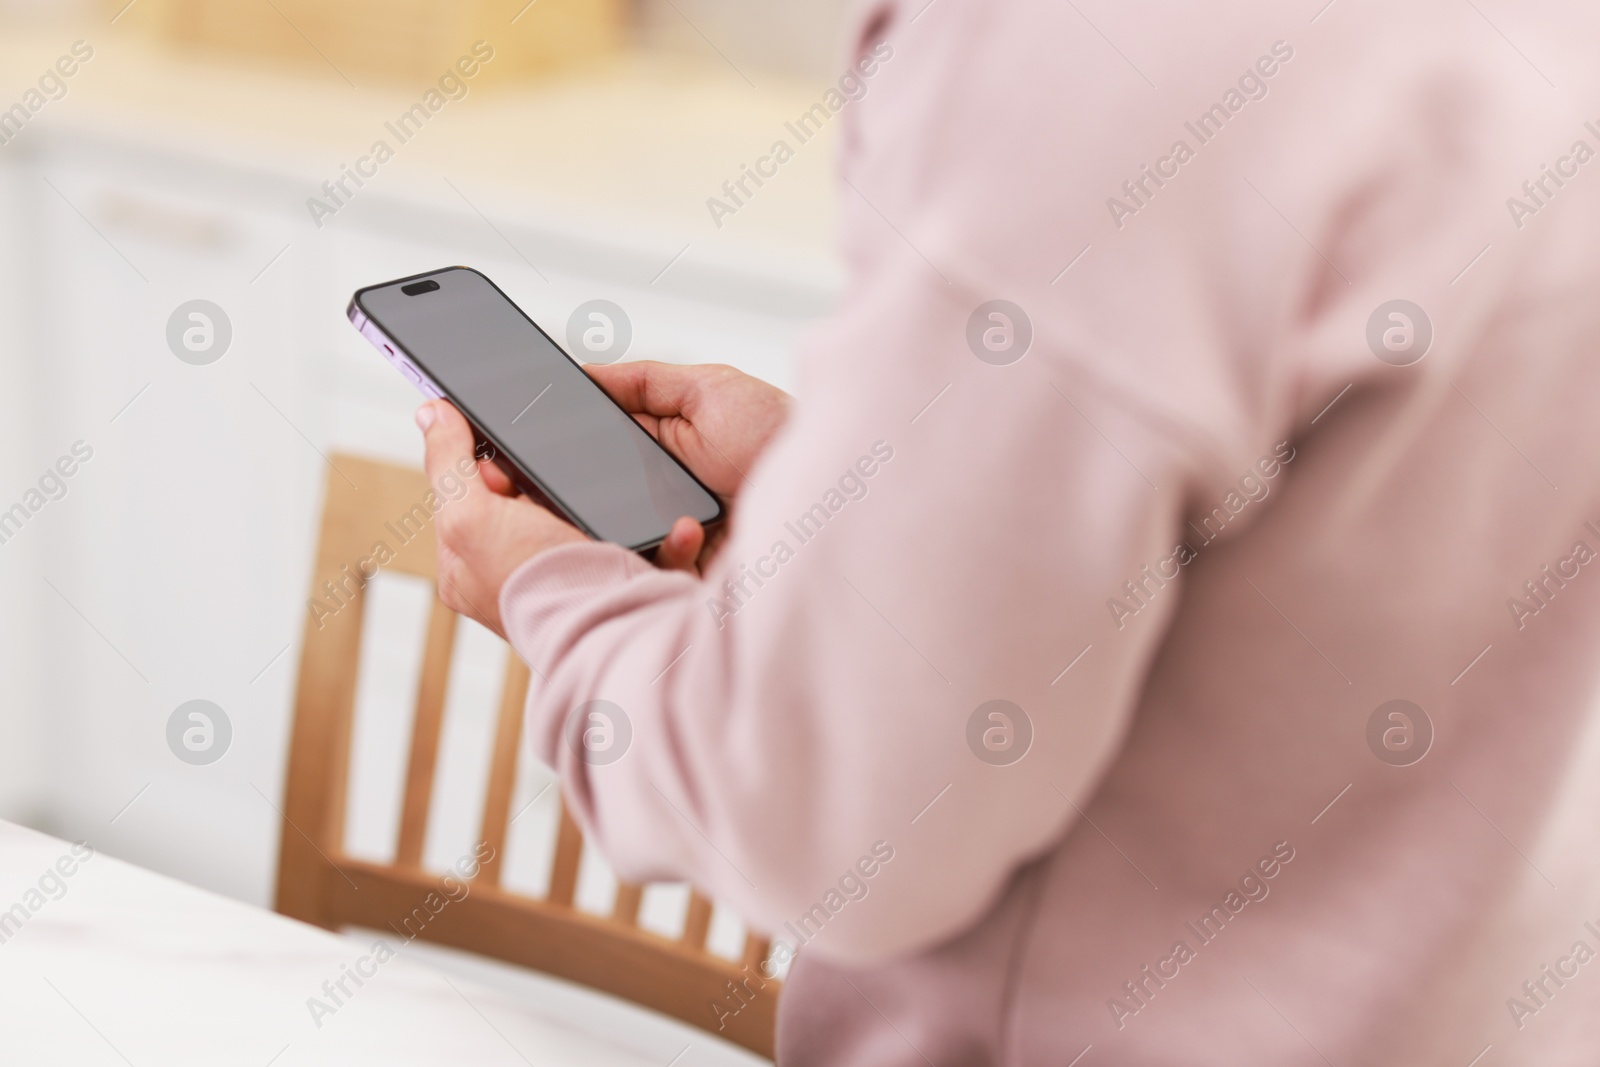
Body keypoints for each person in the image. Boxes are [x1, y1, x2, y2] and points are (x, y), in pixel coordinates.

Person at [415, 0, 1600, 1061]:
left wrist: (557, 596)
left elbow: (833, 827)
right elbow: (1339, 553)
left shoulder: (1099, 61)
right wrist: (869, 502)